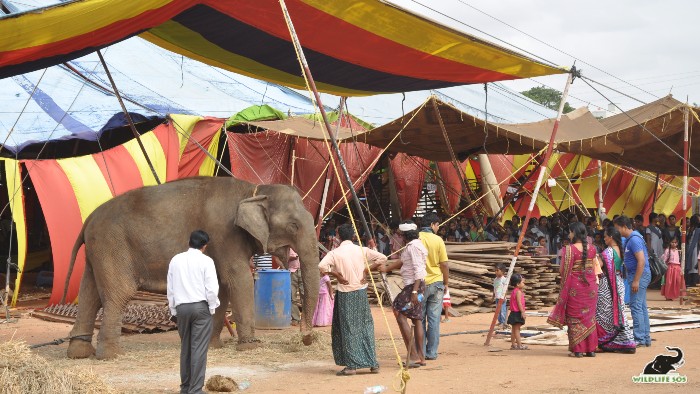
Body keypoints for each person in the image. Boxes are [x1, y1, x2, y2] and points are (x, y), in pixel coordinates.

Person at [319, 223, 385, 376]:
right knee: (365, 326)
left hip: (346, 293)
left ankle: (351, 366)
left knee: (348, 328)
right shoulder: (361, 250)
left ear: (338, 236)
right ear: (353, 236)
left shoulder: (335, 253)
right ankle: (372, 363)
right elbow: (382, 257)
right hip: (361, 292)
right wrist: (366, 270)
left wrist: (337, 275)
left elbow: (321, 266)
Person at [167, 230, 220, 394]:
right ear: (205, 246)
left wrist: (173, 309)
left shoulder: (176, 260)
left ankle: (185, 387)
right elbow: (211, 288)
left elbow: (170, 287)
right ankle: (196, 390)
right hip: (200, 307)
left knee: (186, 348)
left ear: (189, 242)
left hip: (182, 308)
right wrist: (212, 307)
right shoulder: (206, 261)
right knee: (199, 349)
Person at [379, 220, 427, 368]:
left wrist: (414, 291)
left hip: (413, 286)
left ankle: (413, 355)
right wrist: (385, 268)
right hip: (416, 285)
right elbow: (402, 262)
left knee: (400, 314)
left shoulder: (413, 247)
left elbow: (419, 270)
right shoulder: (414, 246)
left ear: (405, 236)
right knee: (416, 319)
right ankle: (421, 356)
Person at [547, 222, 599, 358]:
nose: (569, 235)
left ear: (574, 233)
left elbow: (562, 270)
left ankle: (578, 350)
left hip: (574, 288)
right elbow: (594, 269)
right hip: (590, 288)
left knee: (575, 318)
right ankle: (591, 349)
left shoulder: (568, 249)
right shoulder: (593, 249)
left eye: (570, 232)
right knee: (589, 318)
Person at [596, 227, 636, 354]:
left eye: (605, 236)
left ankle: (605, 341)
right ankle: (625, 341)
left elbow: (598, 266)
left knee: (603, 313)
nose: (604, 238)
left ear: (611, 237)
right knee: (619, 312)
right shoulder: (619, 249)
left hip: (607, 286)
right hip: (618, 282)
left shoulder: (608, 252)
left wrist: (594, 259)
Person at [614, 215, 652, 348]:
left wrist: (636, 280)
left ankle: (639, 338)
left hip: (639, 275)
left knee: (636, 306)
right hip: (638, 275)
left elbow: (641, 261)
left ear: (624, 227)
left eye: (618, 228)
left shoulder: (634, 240)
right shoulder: (632, 239)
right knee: (641, 306)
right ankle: (645, 337)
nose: (617, 231)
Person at [419, 212, 449, 360]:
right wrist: (446, 282)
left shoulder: (415, 239)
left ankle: (421, 351)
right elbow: (444, 264)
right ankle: (431, 352)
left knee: (419, 318)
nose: (438, 228)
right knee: (434, 319)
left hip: (420, 284)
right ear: (432, 225)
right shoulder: (438, 240)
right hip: (437, 282)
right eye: (437, 225)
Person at [508, 274, 528, 350]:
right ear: (517, 284)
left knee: (513, 330)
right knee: (517, 330)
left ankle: (513, 345)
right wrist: (522, 312)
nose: (524, 284)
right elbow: (519, 303)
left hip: (513, 312)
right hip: (517, 312)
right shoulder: (518, 292)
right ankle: (519, 345)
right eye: (523, 282)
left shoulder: (514, 291)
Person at [288, 248, 304, 326]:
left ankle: (305, 318)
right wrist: (292, 257)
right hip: (291, 272)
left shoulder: (302, 244)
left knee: (304, 295)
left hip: (302, 271)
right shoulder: (287, 247)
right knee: (292, 297)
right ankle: (295, 318)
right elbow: (282, 258)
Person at [493, 263, 508, 329]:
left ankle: (503, 322)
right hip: (497, 297)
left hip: (502, 298)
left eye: (497, 270)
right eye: (495, 270)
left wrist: (504, 296)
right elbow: (494, 288)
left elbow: (505, 289)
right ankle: (500, 321)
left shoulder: (504, 279)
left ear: (502, 271)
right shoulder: (495, 279)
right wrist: (493, 296)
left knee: (502, 310)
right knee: (498, 310)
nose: (496, 272)